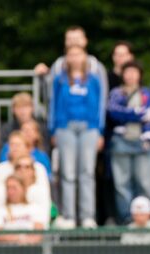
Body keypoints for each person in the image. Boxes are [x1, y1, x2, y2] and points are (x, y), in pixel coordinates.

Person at [49, 45, 103, 229]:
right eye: (70, 54)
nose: (74, 58)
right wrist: (53, 129)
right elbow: (53, 105)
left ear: (85, 57)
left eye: (78, 54)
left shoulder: (93, 80)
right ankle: (69, 216)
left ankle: (88, 216)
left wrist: (99, 130)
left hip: (89, 128)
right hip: (65, 128)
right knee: (67, 173)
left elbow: (99, 105)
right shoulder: (60, 80)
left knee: (87, 172)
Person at [107, 60, 150, 225]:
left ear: (140, 75)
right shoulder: (116, 93)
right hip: (121, 142)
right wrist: (135, 113)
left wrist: (128, 114)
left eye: (134, 72)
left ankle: (146, 218)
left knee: (144, 182)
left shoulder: (146, 93)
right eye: (127, 72)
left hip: (143, 143)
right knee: (122, 184)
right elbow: (114, 112)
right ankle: (127, 220)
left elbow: (149, 114)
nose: (130, 75)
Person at [34, 25, 109, 112]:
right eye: (70, 39)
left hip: (91, 121)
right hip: (63, 121)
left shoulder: (96, 67)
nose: (73, 42)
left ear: (85, 40)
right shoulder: (57, 66)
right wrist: (42, 78)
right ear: (65, 42)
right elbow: (49, 96)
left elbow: (103, 98)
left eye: (77, 38)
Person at [0, 175, 46, 244]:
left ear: (24, 189)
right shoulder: (0, 209)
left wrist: (26, 241)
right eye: (8, 188)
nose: (10, 192)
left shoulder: (35, 208)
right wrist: (20, 238)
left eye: (14, 188)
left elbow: (38, 233)